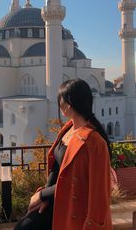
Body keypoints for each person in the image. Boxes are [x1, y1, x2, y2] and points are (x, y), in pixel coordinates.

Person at [14, 79, 112, 230]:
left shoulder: (94, 142)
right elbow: (57, 170)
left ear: (68, 104)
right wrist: (45, 199)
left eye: (60, 100)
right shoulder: (68, 130)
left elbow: (99, 192)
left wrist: (41, 195)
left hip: (75, 210)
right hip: (57, 201)